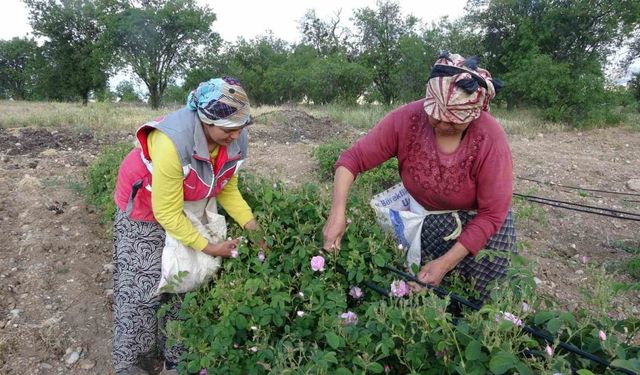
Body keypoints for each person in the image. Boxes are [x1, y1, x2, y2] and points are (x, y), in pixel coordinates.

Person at [322, 52, 516, 303]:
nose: (443, 126)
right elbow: (352, 160)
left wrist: (446, 263)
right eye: (435, 119)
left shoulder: (489, 137)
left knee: (481, 302)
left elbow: (491, 214)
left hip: (480, 227)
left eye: (454, 124)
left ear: (473, 116)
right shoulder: (407, 119)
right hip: (427, 222)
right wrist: (337, 212)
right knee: (425, 297)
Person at [112, 77, 260, 374]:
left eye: (240, 127)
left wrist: (254, 229)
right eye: (228, 129)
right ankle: (132, 364)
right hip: (146, 209)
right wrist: (210, 246)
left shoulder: (233, 137)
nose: (235, 135)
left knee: (184, 283)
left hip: (187, 207)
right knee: (145, 288)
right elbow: (166, 212)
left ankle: (176, 359)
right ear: (206, 120)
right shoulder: (171, 141)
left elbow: (226, 186)